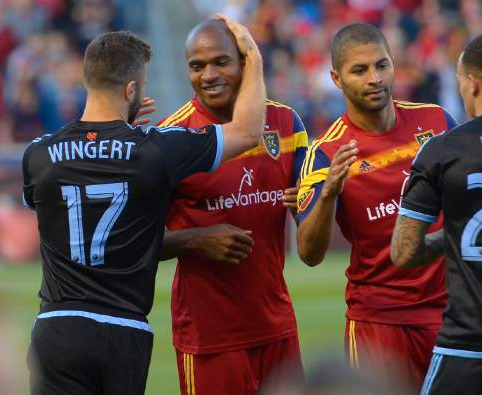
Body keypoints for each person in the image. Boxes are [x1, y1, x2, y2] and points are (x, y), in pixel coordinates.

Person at [22, 16, 267, 395]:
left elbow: (79, 170)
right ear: (132, 89)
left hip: (57, 327)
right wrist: (252, 56)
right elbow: (249, 131)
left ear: (87, 80)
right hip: (123, 329)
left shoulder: (39, 155)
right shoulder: (154, 150)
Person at [296, 23, 457, 391]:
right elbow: (308, 252)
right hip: (378, 323)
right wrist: (328, 194)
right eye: (359, 70)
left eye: (381, 65)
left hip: (448, 314)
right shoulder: (324, 152)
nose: (375, 78)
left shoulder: (436, 122)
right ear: (336, 78)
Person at [157, 19, 308, 395]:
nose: (208, 75)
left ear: (245, 62)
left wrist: (316, 202)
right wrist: (197, 239)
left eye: (221, 61)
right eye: (196, 65)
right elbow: (137, 241)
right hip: (210, 338)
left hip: (277, 328)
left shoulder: (286, 124)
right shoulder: (170, 138)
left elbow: (313, 244)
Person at [391, 35, 482, 395]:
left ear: (472, 83)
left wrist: (455, 236)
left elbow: (403, 252)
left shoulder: (443, 150)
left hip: (465, 344)